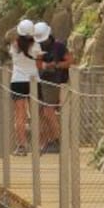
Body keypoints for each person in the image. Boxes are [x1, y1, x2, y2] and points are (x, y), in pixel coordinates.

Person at [35, 21, 73, 152]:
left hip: (54, 83)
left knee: (48, 111)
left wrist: (56, 66)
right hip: (40, 82)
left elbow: (69, 61)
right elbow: (37, 63)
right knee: (41, 113)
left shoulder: (59, 46)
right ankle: (46, 142)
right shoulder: (37, 47)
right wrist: (44, 66)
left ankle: (57, 140)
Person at [9, 19, 40, 153]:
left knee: (20, 116)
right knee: (36, 114)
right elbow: (39, 63)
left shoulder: (14, 46)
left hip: (17, 81)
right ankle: (39, 143)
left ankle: (21, 145)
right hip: (33, 80)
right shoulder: (36, 46)